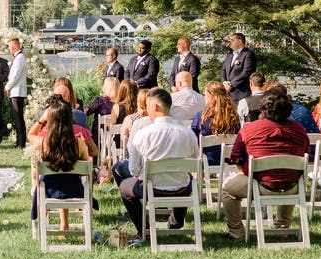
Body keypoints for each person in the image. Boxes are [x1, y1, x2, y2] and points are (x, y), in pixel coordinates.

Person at [221, 88, 309, 240]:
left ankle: (236, 232)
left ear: (262, 108)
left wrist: (245, 171)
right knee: (288, 174)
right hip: (293, 186)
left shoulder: (249, 129)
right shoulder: (299, 129)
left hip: (259, 185)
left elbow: (235, 157)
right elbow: (306, 154)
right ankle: (282, 227)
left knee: (226, 190)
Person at [118, 87, 200, 236]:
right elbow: (195, 159)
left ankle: (145, 230)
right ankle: (176, 222)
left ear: (154, 106)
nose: (147, 110)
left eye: (148, 106)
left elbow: (133, 170)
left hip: (152, 188)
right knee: (187, 180)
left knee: (125, 187)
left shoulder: (143, 134)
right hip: (181, 188)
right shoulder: (187, 132)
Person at [31, 98, 93, 230]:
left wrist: (41, 119)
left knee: (54, 181)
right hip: (74, 190)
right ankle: (64, 224)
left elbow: (30, 135)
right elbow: (86, 169)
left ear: (51, 121)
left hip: (49, 191)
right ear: (70, 119)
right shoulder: (79, 144)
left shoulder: (44, 144)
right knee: (65, 179)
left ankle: (46, 224)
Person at [191, 82, 241, 166]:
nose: (204, 97)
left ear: (210, 96)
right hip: (230, 161)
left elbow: (193, 141)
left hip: (208, 162)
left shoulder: (201, 117)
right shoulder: (234, 117)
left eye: (205, 94)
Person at [5, 38, 29, 148]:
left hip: (17, 92)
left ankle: (21, 142)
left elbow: (15, 77)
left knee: (18, 117)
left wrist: (7, 87)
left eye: (9, 46)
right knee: (17, 117)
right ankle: (19, 141)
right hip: (16, 91)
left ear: (14, 46)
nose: (9, 49)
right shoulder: (19, 58)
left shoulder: (19, 58)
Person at [220, 33, 256, 101]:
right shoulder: (230, 54)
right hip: (228, 94)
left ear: (239, 41)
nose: (230, 42)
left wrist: (231, 84)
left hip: (241, 94)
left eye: (233, 40)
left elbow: (246, 72)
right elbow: (223, 71)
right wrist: (224, 82)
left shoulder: (248, 54)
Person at [85, 76, 118, 142]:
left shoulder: (100, 100)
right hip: (115, 137)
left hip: (99, 136)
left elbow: (86, 112)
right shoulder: (119, 104)